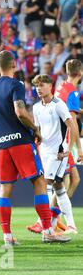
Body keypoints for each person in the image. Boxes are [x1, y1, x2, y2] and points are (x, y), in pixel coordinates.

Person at [0, 50, 70, 245]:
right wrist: (35, 129)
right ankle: (48, 231)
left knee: (5, 188)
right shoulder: (16, 84)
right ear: (13, 64)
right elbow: (20, 112)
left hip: (2, 144)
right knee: (40, 182)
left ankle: (7, 236)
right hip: (21, 142)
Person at [25, 74, 78, 235]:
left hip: (58, 153)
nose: (39, 89)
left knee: (45, 182)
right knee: (59, 187)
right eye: (36, 86)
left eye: (42, 85)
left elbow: (72, 126)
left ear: (50, 86)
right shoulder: (36, 107)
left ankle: (43, 222)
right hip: (44, 151)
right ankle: (71, 226)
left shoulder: (58, 105)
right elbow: (39, 130)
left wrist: (69, 148)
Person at [52, 59, 83, 230]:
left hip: (56, 138)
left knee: (73, 179)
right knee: (62, 182)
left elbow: (66, 107)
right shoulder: (73, 92)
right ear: (80, 73)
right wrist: (78, 148)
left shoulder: (61, 86)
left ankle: (57, 217)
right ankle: (53, 219)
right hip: (64, 142)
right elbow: (73, 123)